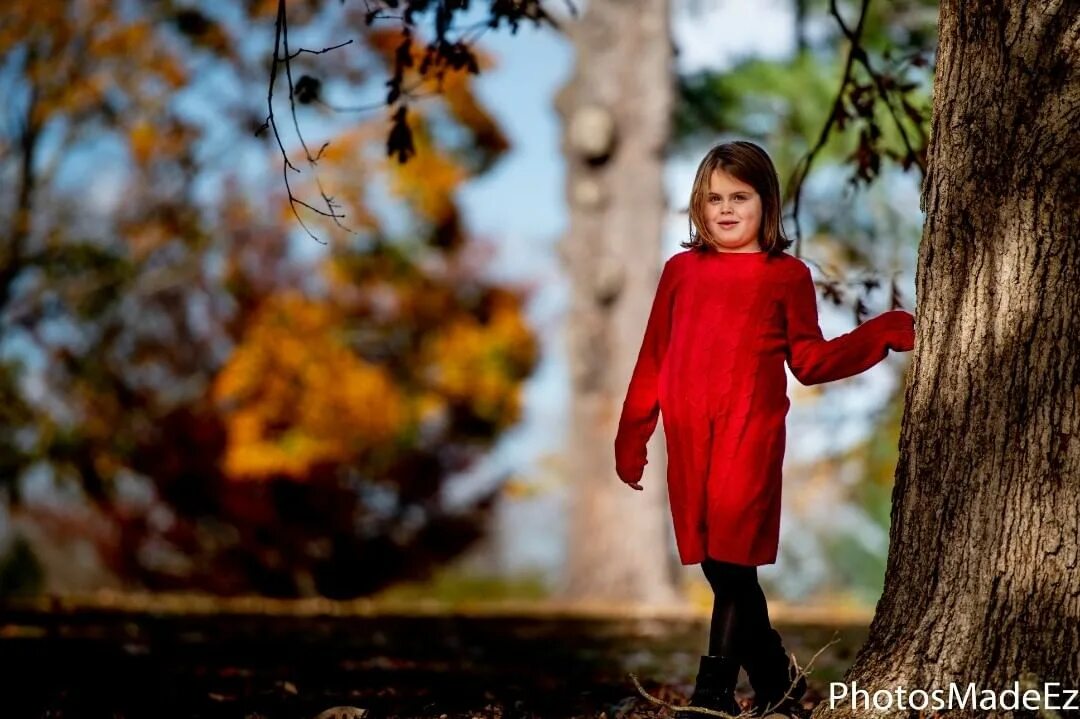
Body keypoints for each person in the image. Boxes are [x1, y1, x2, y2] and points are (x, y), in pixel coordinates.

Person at [613, 141, 915, 718]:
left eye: (740, 197)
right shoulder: (680, 272)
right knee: (714, 561)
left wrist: (883, 331)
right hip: (689, 435)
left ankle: (715, 694)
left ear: (765, 203)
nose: (725, 209)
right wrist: (632, 433)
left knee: (733, 559)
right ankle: (777, 678)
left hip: (749, 431)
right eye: (713, 198)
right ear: (698, 209)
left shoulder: (787, 276)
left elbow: (810, 359)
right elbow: (653, 356)